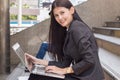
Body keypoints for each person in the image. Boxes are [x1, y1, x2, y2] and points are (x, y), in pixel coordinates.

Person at [25, 0, 105, 80]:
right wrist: (37, 61)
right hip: (80, 75)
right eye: (56, 15)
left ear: (71, 10)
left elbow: (89, 59)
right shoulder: (69, 31)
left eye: (62, 13)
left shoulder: (77, 28)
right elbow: (64, 63)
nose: (60, 18)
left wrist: (64, 70)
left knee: (37, 76)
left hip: (88, 77)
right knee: (38, 74)